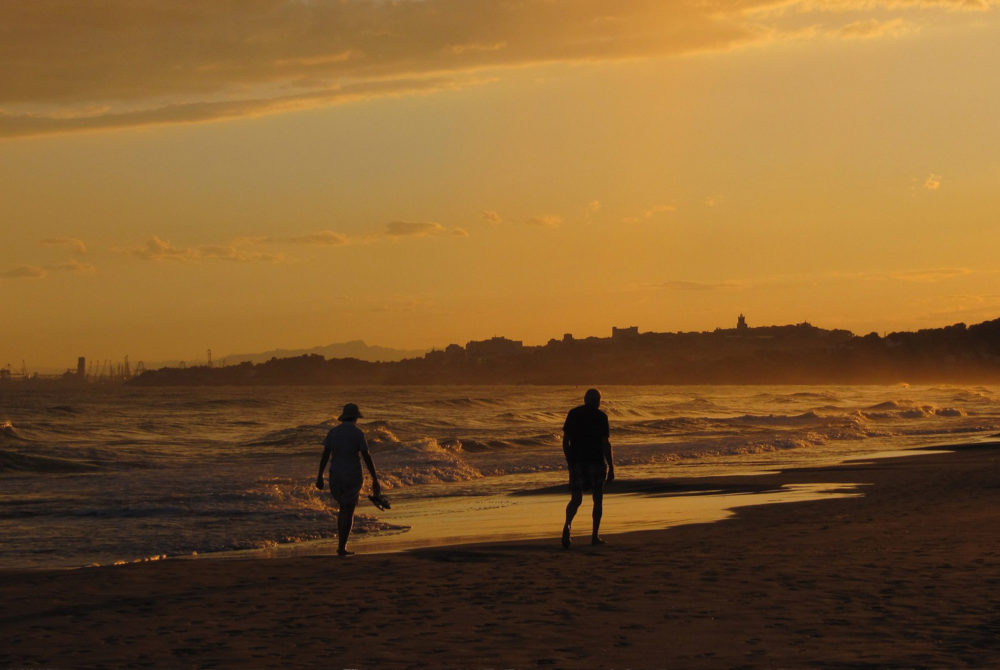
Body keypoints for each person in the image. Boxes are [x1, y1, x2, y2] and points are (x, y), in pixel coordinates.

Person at [316, 402, 382, 556]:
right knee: (348, 510)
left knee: (342, 509)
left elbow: (325, 454)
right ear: (355, 418)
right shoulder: (358, 433)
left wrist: (319, 475)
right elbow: (366, 456)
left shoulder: (333, 432)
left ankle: (341, 546)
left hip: (336, 473)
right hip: (352, 474)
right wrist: (375, 478)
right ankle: (342, 547)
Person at [561, 388, 614, 548]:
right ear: (597, 401)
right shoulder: (601, 416)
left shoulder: (574, 413)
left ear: (585, 399)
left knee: (576, 499)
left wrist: (570, 461)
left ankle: (567, 527)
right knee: (597, 499)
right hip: (596, 462)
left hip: (578, 462)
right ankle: (594, 536)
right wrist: (611, 466)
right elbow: (606, 443)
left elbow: (565, 442)